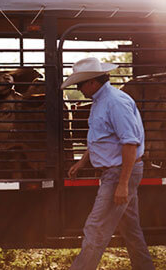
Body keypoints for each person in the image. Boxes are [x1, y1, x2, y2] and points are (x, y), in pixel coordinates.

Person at [61, 57, 155, 270]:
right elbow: (101, 138)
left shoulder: (115, 102)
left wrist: (122, 184)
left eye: (80, 84)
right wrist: (83, 162)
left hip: (119, 172)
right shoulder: (101, 101)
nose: (79, 88)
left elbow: (130, 143)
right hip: (118, 171)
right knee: (131, 229)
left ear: (93, 82)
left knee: (96, 228)